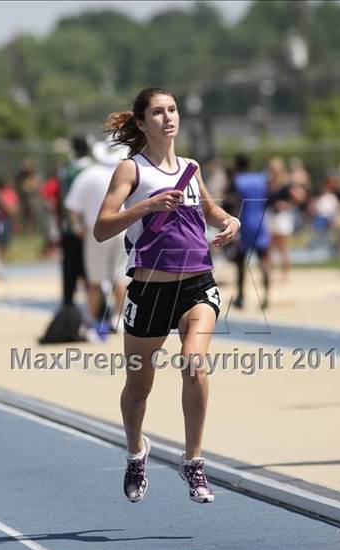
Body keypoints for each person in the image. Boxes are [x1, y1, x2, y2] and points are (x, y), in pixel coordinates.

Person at [94, 87, 240, 504]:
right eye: (158, 112)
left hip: (197, 284)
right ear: (142, 122)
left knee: (195, 365)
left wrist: (229, 221)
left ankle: (194, 460)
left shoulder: (192, 168)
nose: (168, 118)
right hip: (149, 289)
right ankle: (137, 452)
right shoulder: (131, 171)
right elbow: (102, 227)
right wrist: (147, 206)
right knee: (139, 389)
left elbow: (210, 211)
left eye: (172, 109)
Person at [65, 140, 129, 338]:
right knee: (121, 276)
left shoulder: (88, 176)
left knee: (94, 279)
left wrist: (78, 228)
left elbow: (73, 207)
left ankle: (93, 321)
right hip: (123, 229)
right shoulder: (127, 173)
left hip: (97, 231)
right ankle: (118, 319)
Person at [229, 154, 271, 310]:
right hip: (260, 221)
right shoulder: (261, 178)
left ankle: (240, 296)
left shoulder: (238, 180)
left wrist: (233, 223)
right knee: (264, 260)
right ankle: (266, 297)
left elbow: (237, 203)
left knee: (240, 261)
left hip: (244, 222)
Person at [58, 136, 94, 306]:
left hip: (70, 228)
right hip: (90, 228)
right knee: (92, 274)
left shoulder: (66, 170)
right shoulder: (93, 169)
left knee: (70, 272)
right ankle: (98, 313)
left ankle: (68, 310)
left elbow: (63, 201)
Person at [267, 157, 305, 281]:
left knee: (283, 246)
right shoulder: (269, 183)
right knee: (271, 247)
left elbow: (299, 197)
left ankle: (285, 274)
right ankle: (270, 274)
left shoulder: (286, 183)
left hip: (283, 216)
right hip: (271, 215)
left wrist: (287, 205)